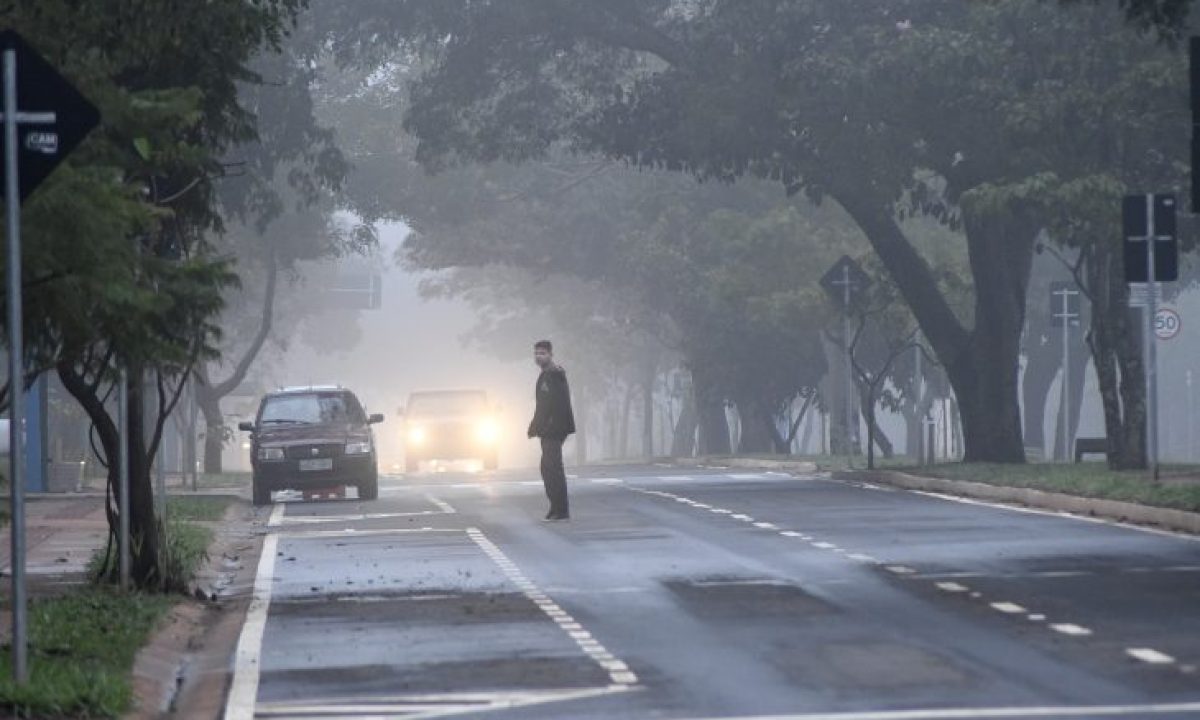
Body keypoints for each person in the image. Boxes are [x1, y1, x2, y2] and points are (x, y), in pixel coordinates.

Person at [527, 340, 576, 521]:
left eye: (543, 353)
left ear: (550, 355)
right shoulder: (551, 374)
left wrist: (534, 427)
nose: (539, 356)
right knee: (547, 467)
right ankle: (555, 507)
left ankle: (561, 509)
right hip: (553, 427)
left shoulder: (551, 375)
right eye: (537, 353)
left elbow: (545, 406)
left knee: (552, 468)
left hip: (553, 428)